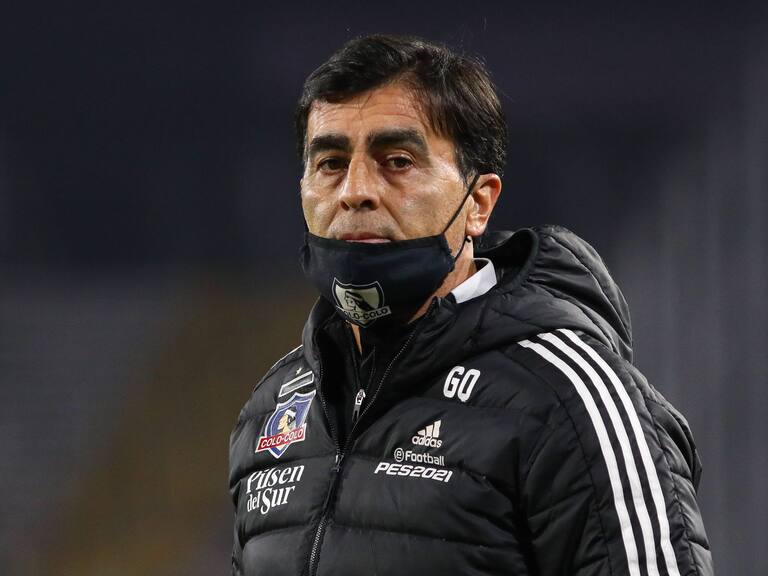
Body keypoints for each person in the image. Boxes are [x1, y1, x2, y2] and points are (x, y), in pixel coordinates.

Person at [229, 34, 714, 576]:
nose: (355, 191)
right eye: (330, 163)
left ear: (478, 203)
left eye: (396, 161)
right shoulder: (272, 409)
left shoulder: (569, 399)